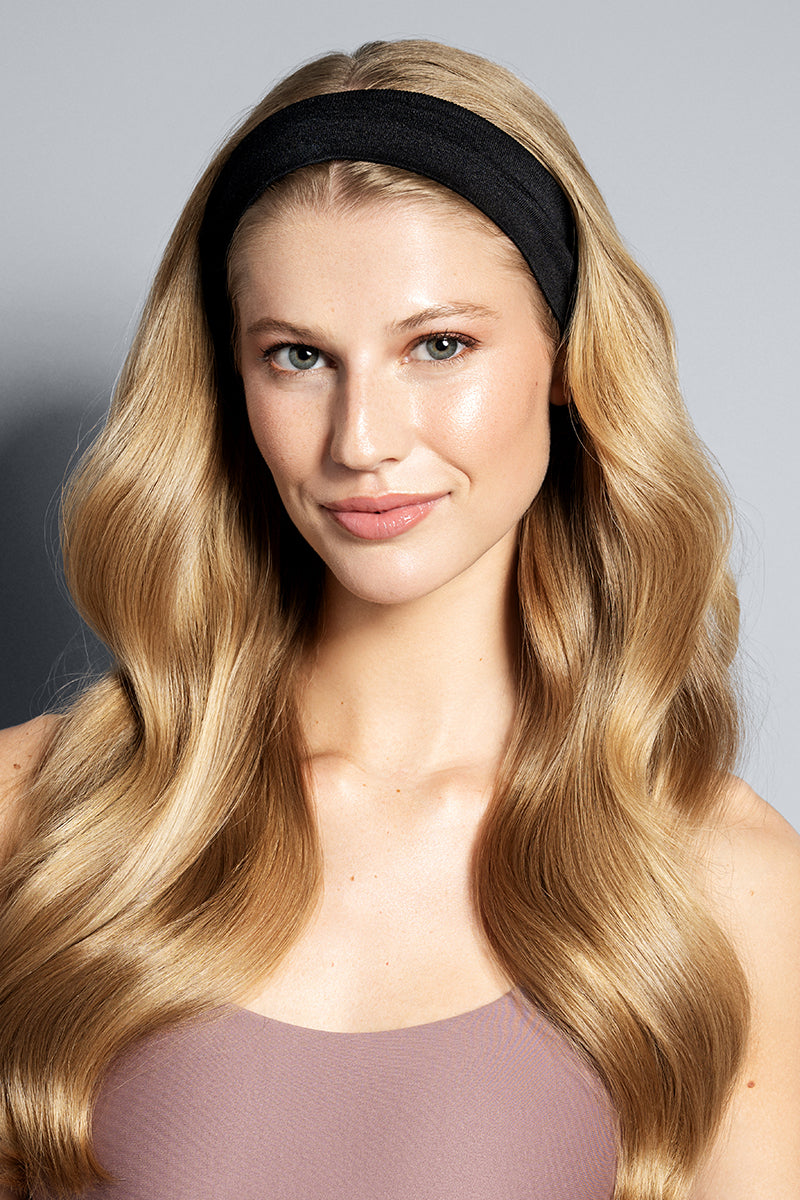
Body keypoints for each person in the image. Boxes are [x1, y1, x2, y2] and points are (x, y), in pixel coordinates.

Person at [0, 37, 798, 1200]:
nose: (361, 438)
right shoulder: (42, 825)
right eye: (297, 358)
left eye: (438, 346)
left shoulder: (717, 881)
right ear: (233, 382)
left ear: (567, 357)